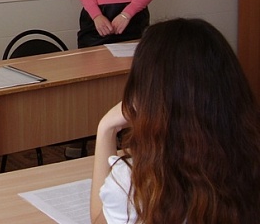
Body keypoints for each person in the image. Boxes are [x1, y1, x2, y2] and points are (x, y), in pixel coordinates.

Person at [90, 18, 260, 224]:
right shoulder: (248, 157)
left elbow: (98, 220)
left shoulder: (136, 181)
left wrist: (106, 127)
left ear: (149, 94)